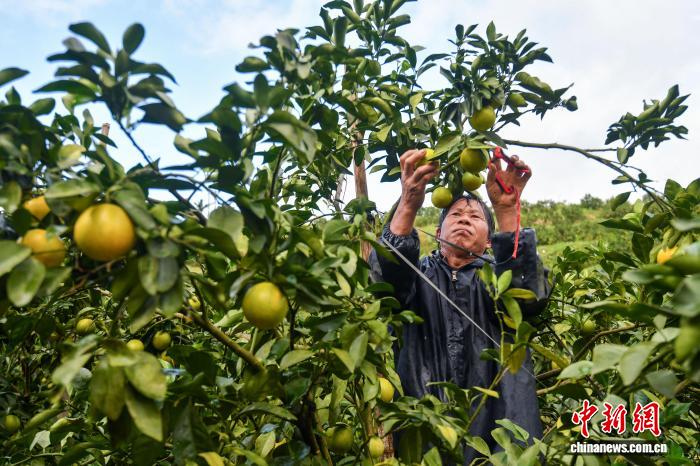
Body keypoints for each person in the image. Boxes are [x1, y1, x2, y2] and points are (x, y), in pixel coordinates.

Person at [368, 148, 552, 463]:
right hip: (426, 433)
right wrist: (409, 202)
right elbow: (386, 281)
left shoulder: (500, 277)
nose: (464, 218)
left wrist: (507, 211)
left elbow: (530, 297)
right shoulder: (416, 277)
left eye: (475, 217)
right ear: (438, 233)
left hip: (504, 436)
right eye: (455, 215)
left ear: (491, 239)